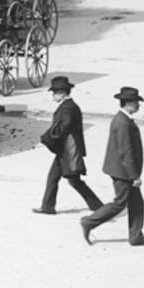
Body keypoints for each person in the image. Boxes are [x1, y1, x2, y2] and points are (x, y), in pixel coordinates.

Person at [81, 86, 144, 246]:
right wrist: (134, 176)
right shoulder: (123, 123)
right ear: (129, 103)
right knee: (120, 203)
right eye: (136, 103)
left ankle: (136, 236)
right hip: (122, 171)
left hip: (122, 169)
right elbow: (125, 152)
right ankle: (89, 222)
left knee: (137, 203)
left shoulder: (123, 119)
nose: (138, 106)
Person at [33, 75, 102, 214]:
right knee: (54, 178)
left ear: (61, 93)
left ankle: (99, 207)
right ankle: (48, 206)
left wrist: (49, 137)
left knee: (74, 181)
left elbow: (64, 126)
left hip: (68, 150)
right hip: (65, 150)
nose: (53, 96)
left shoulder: (67, 108)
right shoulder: (69, 106)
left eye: (54, 93)